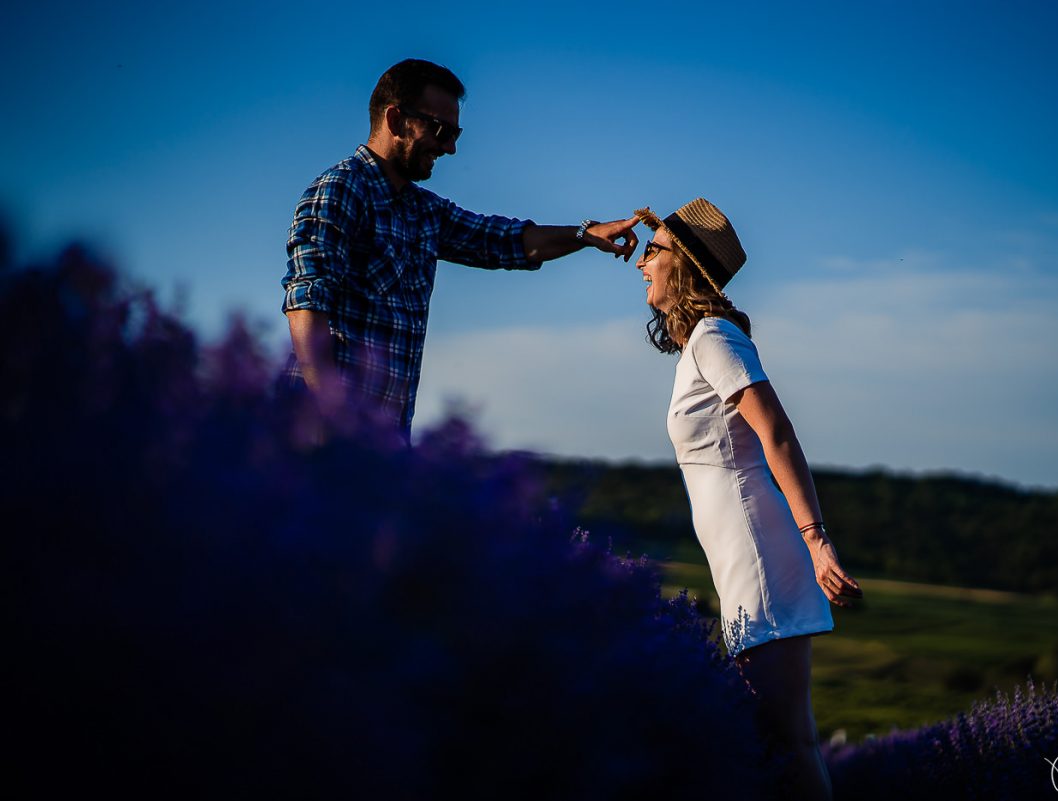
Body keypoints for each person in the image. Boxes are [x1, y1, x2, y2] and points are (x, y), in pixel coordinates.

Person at [632, 198, 862, 799]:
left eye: (652, 250)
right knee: (776, 738)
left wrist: (816, 541)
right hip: (743, 559)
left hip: (762, 556)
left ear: (683, 263)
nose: (640, 263)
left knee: (788, 739)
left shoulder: (714, 335)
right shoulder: (699, 345)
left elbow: (777, 432)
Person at [280, 59, 638, 441]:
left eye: (456, 134)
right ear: (396, 120)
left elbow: (503, 240)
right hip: (320, 442)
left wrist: (585, 234)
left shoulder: (424, 211)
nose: (449, 147)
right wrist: (334, 416)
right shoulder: (340, 189)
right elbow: (307, 302)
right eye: (440, 130)